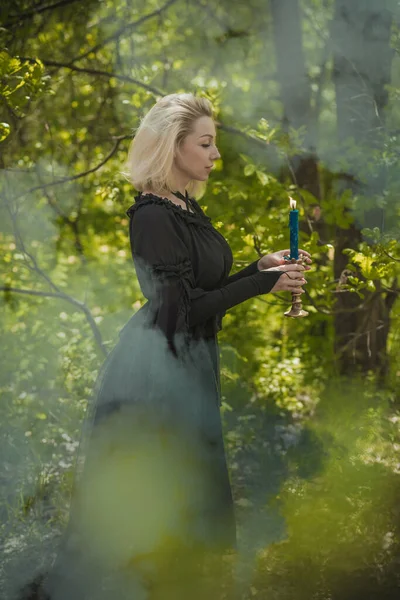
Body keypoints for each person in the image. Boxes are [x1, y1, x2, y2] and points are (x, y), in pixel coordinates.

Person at [19, 92, 310, 600]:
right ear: (172, 146)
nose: (216, 155)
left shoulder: (187, 207)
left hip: (186, 368)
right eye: (205, 143)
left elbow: (200, 295)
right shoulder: (152, 216)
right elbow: (178, 314)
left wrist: (258, 269)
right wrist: (261, 286)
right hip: (153, 376)